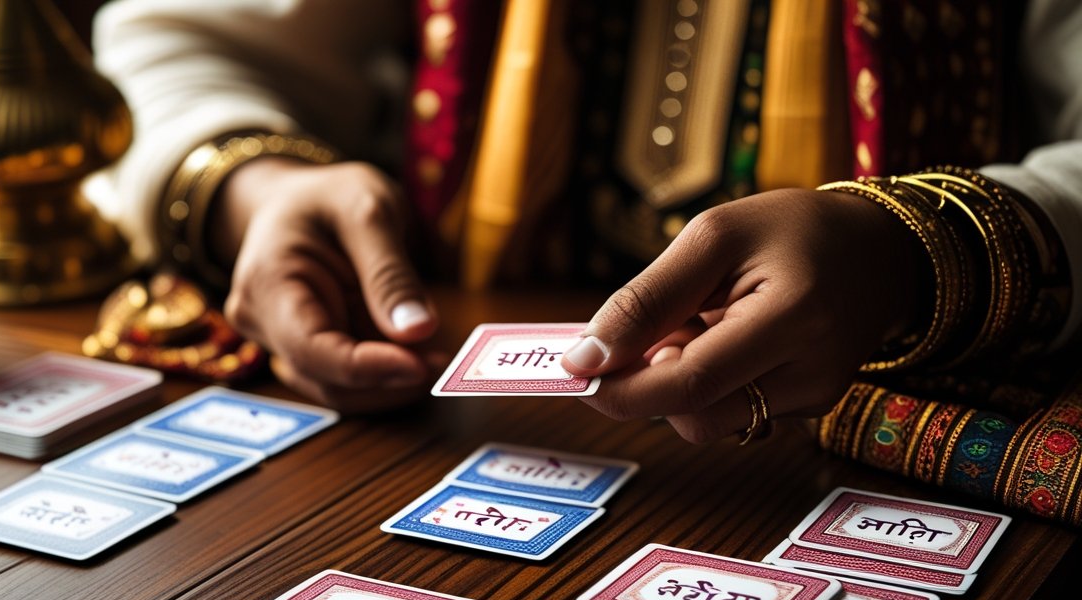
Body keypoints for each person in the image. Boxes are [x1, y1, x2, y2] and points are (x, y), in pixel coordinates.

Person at [91, 0, 1082, 519]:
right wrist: (254, 186)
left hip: (857, 458)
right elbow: (169, 48)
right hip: (444, 421)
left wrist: (912, 250)